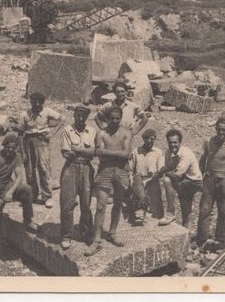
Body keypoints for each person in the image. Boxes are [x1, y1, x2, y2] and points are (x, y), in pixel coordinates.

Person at [0, 133, 39, 267]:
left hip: (5, 188)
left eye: (14, 148)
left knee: (27, 190)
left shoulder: (15, 157)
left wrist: (10, 192)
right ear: (3, 146)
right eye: (9, 147)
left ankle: (28, 219)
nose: (11, 150)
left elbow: (19, 177)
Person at [85, 106, 132, 256]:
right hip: (104, 171)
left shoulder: (126, 133)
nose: (115, 121)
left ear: (121, 118)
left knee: (118, 204)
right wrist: (118, 154)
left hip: (121, 171)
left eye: (117, 118)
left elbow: (126, 154)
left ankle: (112, 232)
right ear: (107, 118)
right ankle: (97, 240)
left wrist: (107, 152)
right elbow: (101, 155)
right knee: (100, 206)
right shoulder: (101, 134)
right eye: (112, 118)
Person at [196, 118, 225, 250]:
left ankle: (220, 240)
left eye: (224, 130)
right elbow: (203, 159)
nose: (220, 132)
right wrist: (200, 177)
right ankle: (201, 239)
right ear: (215, 129)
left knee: (224, 211)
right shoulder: (209, 142)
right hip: (209, 180)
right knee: (204, 210)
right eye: (218, 129)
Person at [17, 92, 64, 208]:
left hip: (42, 142)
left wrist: (52, 134)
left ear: (43, 102)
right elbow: (19, 134)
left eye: (40, 102)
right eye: (34, 102)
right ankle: (32, 195)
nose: (37, 104)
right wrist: (22, 152)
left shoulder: (47, 111)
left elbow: (62, 119)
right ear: (30, 101)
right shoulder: (24, 115)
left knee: (44, 168)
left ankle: (47, 196)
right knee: (30, 170)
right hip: (28, 142)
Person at [59, 104, 96, 250]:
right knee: (67, 203)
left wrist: (78, 149)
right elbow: (67, 153)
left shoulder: (91, 131)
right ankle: (66, 235)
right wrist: (85, 151)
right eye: (78, 115)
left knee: (86, 204)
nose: (80, 118)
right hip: (70, 167)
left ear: (87, 117)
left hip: (87, 168)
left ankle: (86, 233)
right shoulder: (67, 130)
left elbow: (93, 153)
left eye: (84, 116)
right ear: (74, 115)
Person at [158, 128, 203, 228]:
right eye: (170, 142)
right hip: (183, 180)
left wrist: (164, 171)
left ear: (180, 142)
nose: (172, 145)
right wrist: (162, 171)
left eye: (175, 142)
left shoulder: (185, 153)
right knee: (185, 207)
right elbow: (166, 168)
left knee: (169, 181)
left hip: (193, 181)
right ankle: (177, 220)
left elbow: (176, 175)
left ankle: (173, 215)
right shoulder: (168, 152)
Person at [126, 128, 165, 224]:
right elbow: (130, 169)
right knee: (138, 182)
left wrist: (149, 181)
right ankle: (140, 206)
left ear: (154, 139)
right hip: (138, 180)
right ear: (143, 139)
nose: (149, 141)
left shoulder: (158, 152)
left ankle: (142, 207)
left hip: (152, 181)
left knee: (156, 213)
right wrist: (131, 180)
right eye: (146, 138)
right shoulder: (136, 151)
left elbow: (160, 172)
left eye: (151, 139)